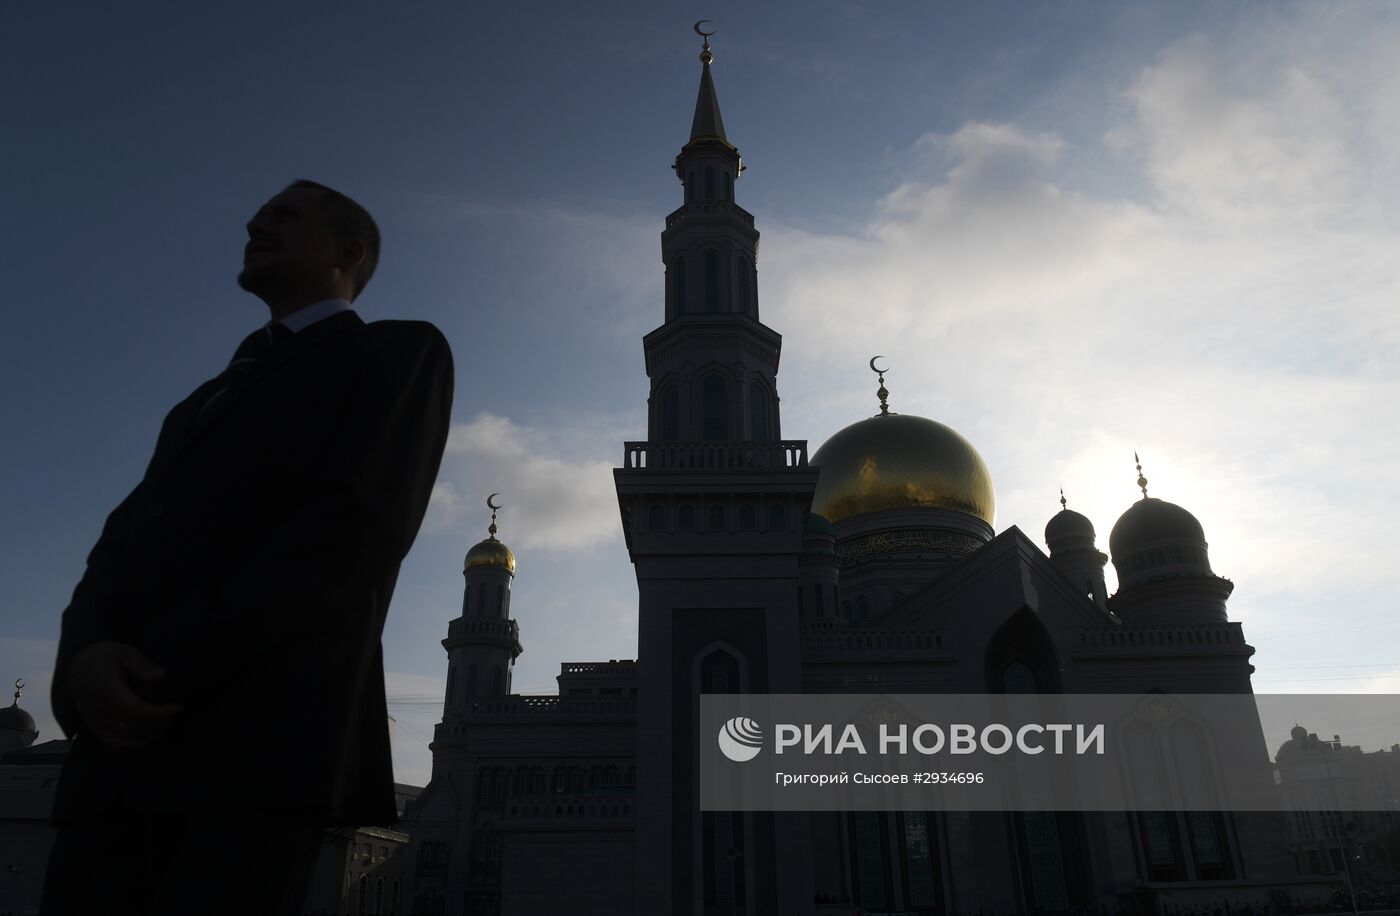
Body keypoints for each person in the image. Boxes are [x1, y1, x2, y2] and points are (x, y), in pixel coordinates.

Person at [41, 180, 454, 915]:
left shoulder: (394, 354)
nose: (256, 224)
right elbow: (119, 546)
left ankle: (739, 808)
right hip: (119, 761)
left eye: (285, 216)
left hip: (249, 748)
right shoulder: (202, 402)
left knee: (735, 771)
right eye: (261, 216)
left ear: (347, 254)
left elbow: (350, 535)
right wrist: (85, 656)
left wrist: (166, 671)